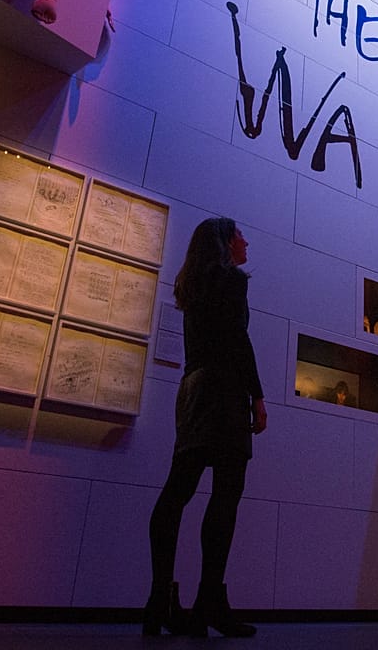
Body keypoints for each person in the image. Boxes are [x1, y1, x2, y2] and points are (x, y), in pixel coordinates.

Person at [146, 217, 267, 638]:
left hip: (193, 390)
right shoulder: (232, 282)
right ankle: (208, 602)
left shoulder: (192, 285)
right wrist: (257, 395)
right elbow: (239, 340)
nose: (246, 241)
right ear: (225, 243)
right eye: (240, 235)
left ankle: (159, 598)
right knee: (225, 495)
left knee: (176, 492)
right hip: (224, 390)